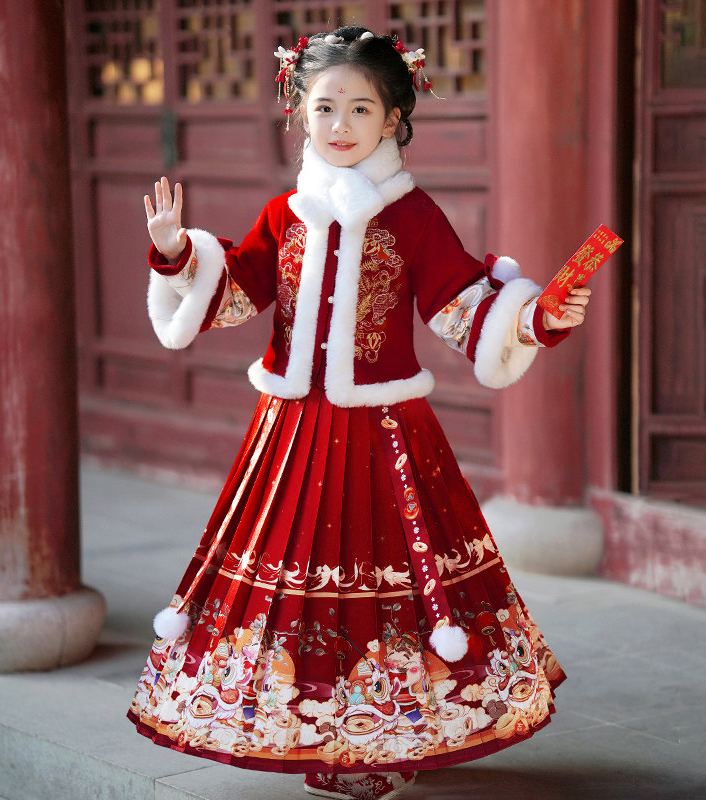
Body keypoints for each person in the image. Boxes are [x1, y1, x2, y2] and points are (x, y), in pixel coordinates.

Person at [128, 25, 591, 800]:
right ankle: (306, 726)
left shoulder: (414, 216)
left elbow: (460, 303)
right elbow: (237, 290)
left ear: (393, 119)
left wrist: (535, 317)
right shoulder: (285, 212)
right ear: (299, 113)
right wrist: (177, 253)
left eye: (360, 108)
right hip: (289, 432)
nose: (339, 125)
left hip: (384, 433)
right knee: (294, 579)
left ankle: (387, 734)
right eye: (324, 108)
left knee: (388, 580)